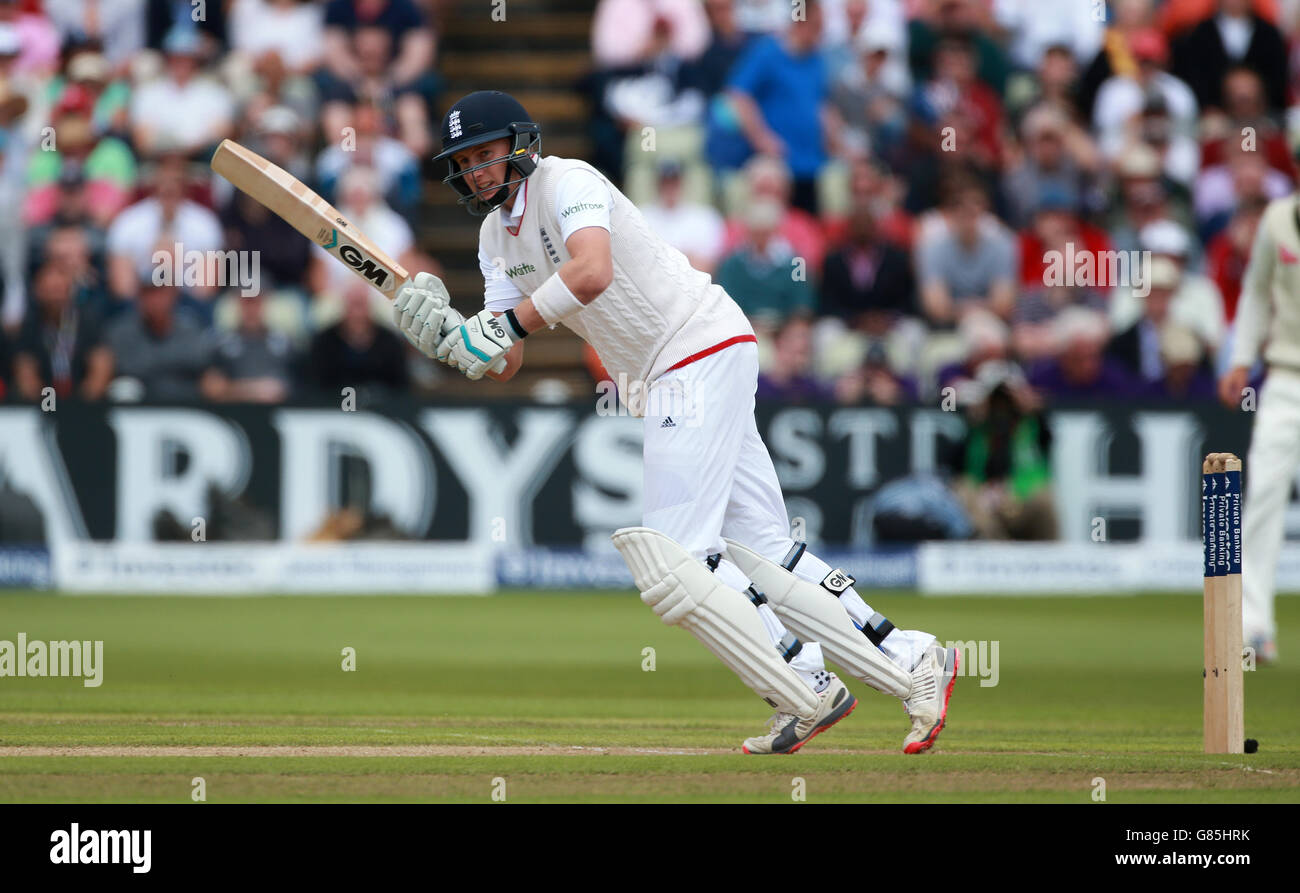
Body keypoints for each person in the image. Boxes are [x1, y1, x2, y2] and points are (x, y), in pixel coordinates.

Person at [392, 90, 958, 754]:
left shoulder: (567, 180)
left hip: (696, 346)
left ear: (519, 144)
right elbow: (507, 358)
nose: (479, 171)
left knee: (675, 560)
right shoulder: (494, 237)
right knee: (764, 551)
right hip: (677, 369)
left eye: (487, 154)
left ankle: (805, 684)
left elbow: (592, 270)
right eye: (466, 162)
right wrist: (450, 337)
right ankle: (909, 657)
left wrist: (503, 325)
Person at [1217, 190, 1300, 664]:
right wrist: (1241, 359)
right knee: (1264, 499)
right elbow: (1254, 291)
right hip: (1286, 379)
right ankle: (1254, 629)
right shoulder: (1276, 218)